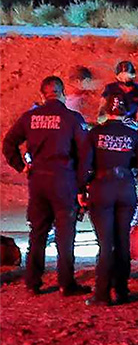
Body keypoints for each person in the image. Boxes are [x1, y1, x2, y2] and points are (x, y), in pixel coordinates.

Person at [2, 76, 91, 296]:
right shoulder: (72, 119)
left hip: (39, 181)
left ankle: (33, 282)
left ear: (42, 95)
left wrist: (21, 166)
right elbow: (85, 154)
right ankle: (66, 283)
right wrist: (82, 187)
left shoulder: (30, 118)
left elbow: (8, 143)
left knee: (38, 232)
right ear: (62, 94)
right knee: (65, 234)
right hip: (64, 180)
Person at [80, 94, 138, 306]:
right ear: (126, 112)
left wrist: (80, 191)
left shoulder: (95, 134)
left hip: (102, 189)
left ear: (105, 112)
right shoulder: (132, 135)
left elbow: (84, 166)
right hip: (125, 189)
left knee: (105, 243)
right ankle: (121, 290)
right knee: (122, 242)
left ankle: (101, 294)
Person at [98, 61, 138, 126]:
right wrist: (112, 117)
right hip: (111, 125)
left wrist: (135, 125)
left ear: (133, 76)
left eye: (128, 78)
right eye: (121, 78)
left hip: (130, 126)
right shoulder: (110, 89)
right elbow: (100, 116)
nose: (124, 81)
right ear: (117, 77)